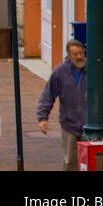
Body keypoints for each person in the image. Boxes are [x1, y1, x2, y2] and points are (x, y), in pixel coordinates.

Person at [37, 39, 89, 170]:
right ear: (69, 56)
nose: (79, 57)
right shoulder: (60, 72)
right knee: (70, 161)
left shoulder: (92, 70)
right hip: (69, 124)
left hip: (90, 125)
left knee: (90, 161)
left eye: (81, 53)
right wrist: (43, 118)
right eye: (75, 54)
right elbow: (48, 95)